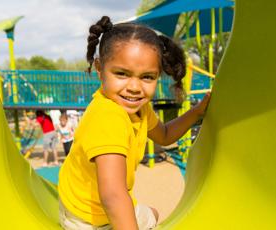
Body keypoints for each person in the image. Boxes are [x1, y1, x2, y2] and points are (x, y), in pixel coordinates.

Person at [58, 16, 211, 230]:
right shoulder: (107, 117)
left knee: (153, 213)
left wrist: (196, 112)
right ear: (100, 69)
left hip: (106, 206)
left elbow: (164, 135)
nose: (134, 87)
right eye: (122, 74)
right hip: (86, 218)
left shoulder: (140, 109)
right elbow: (112, 195)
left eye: (147, 77)